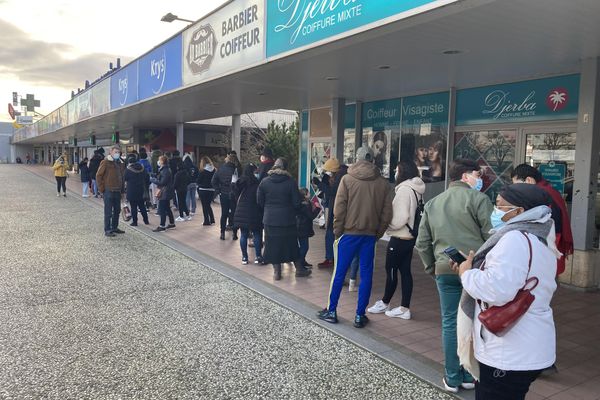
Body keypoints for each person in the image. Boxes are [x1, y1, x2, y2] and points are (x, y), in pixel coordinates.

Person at [455, 184, 559, 400]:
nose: (496, 210)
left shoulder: (515, 239)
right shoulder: (540, 238)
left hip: (509, 351)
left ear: (520, 211)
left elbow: (497, 290)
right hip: (529, 344)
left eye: (501, 206)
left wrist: (467, 273)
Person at [415, 158, 493, 393]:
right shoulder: (479, 200)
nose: (479, 179)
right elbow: (492, 237)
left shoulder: (433, 203)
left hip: (445, 270)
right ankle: (469, 374)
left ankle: (452, 376)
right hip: (475, 271)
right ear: (465, 176)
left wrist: (432, 267)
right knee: (473, 320)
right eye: (477, 175)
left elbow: (422, 242)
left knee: (450, 322)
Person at [317, 146, 393, 328]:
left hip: (348, 233)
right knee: (366, 275)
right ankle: (360, 315)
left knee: (339, 272)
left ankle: (332, 310)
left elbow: (339, 208)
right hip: (369, 235)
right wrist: (378, 233)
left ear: (356, 159)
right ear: (372, 160)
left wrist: (337, 230)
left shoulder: (347, 179)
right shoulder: (383, 184)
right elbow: (386, 213)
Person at [367, 160, 425, 320]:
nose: (395, 172)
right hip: (410, 237)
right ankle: (404, 307)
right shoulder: (417, 189)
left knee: (391, 270)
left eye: (396, 170)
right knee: (405, 272)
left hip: (399, 237)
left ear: (403, 172)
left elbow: (399, 217)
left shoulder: (404, 190)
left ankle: (385, 302)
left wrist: (387, 226)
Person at [511, 163, 573, 276]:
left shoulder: (542, 194)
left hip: (549, 241)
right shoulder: (548, 190)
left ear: (529, 180)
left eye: (517, 185)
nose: (517, 189)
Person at [257, 157, 311, 280]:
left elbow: (259, 202)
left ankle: (277, 272)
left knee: (272, 245)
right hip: (287, 219)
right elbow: (296, 203)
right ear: (285, 168)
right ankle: (299, 269)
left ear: (274, 167)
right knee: (291, 245)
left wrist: (268, 210)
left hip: (270, 220)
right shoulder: (290, 182)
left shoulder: (264, 182)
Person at [313, 158, 347, 269]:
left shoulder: (341, 177)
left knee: (332, 234)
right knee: (331, 233)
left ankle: (332, 258)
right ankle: (331, 258)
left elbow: (333, 192)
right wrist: (324, 181)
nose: (328, 173)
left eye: (329, 171)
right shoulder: (338, 175)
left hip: (338, 209)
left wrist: (320, 184)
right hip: (334, 207)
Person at [233, 163, 264, 265]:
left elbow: (235, 195)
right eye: (255, 171)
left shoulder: (240, 182)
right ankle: (258, 256)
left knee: (243, 235)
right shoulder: (257, 183)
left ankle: (244, 257)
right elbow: (260, 199)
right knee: (257, 234)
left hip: (241, 212)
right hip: (254, 211)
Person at [96, 146, 126, 237]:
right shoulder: (105, 162)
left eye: (118, 152)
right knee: (108, 211)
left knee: (117, 210)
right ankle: (107, 229)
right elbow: (98, 175)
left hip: (118, 190)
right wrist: (102, 189)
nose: (117, 154)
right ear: (111, 152)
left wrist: (122, 190)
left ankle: (114, 227)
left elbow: (122, 177)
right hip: (108, 190)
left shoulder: (121, 163)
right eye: (115, 152)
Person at [211, 154, 238, 240]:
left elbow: (213, 181)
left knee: (224, 214)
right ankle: (234, 233)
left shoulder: (220, 169)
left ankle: (222, 233)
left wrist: (218, 190)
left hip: (224, 194)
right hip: (234, 195)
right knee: (233, 214)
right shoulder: (236, 170)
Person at [151, 155, 176, 232]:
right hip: (166, 191)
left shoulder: (165, 170)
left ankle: (162, 225)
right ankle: (171, 223)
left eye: (159, 160)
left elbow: (162, 182)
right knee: (167, 208)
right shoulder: (165, 169)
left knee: (162, 209)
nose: (158, 161)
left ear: (162, 161)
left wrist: (153, 180)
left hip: (164, 192)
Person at [124, 155, 150, 226]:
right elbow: (147, 177)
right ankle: (146, 220)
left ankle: (135, 222)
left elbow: (125, 178)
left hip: (132, 190)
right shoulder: (142, 168)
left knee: (133, 207)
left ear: (129, 162)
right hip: (141, 189)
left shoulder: (128, 170)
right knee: (142, 206)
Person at [297, 187, 320, 268]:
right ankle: (299, 263)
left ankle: (302, 261)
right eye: (308, 193)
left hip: (301, 227)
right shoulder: (305, 205)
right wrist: (317, 208)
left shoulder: (303, 203)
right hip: (303, 228)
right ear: (305, 195)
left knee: (303, 246)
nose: (310, 194)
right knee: (304, 247)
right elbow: (311, 216)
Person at [197, 156, 216, 226]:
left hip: (203, 190)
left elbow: (198, 180)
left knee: (204, 206)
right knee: (208, 205)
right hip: (212, 190)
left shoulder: (202, 171)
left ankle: (206, 221)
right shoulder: (214, 170)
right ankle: (212, 220)